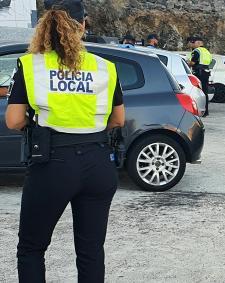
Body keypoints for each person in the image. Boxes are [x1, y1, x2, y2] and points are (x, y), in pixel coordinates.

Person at [5, 0, 125, 282]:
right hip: (98, 163)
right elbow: (118, 119)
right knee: (91, 250)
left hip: (52, 163)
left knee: (32, 248)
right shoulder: (105, 67)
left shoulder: (32, 65)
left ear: (47, 25)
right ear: (83, 25)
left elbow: (13, 120)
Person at [187, 36, 212, 117]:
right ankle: (206, 111)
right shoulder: (207, 51)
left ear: (194, 42)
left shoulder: (196, 51)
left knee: (197, 92)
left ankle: (197, 109)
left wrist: (187, 63)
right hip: (206, 72)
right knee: (205, 92)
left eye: (191, 43)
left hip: (198, 73)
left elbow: (193, 63)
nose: (191, 45)